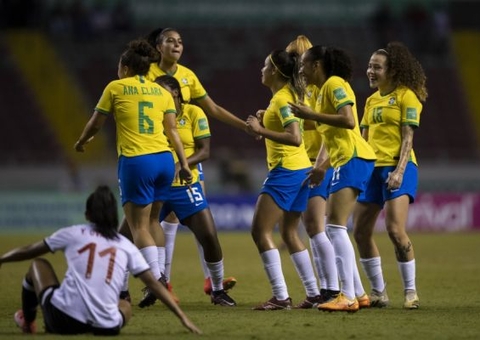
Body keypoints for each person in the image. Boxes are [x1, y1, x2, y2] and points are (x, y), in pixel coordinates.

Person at [74, 39, 192, 308]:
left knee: (137, 226)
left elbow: (96, 123)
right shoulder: (161, 92)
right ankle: (160, 273)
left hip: (137, 161)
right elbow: (173, 130)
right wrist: (183, 164)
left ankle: (155, 278)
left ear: (125, 67)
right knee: (153, 221)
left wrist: (82, 141)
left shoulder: (115, 87)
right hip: (164, 160)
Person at [0, 186, 201, 335]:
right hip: (106, 325)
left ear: (87, 214)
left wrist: (2, 260)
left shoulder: (73, 233)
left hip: (62, 320)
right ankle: (101, 317)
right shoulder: (125, 245)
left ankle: (28, 321)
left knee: (38, 264)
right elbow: (153, 285)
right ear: (116, 216)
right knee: (125, 305)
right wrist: (183, 318)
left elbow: (29, 250)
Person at [121, 75, 236, 308]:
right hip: (154, 187)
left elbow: (205, 151)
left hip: (186, 186)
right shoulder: (151, 116)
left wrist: (181, 165)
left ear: (176, 94)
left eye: (163, 93)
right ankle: (124, 292)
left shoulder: (194, 113)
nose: (158, 98)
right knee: (125, 238)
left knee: (209, 237)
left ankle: (217, 290)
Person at [145, 26, 239, 297]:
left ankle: (210, 279)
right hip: (158, 154)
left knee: (198, 217)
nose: (176, 45)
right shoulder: (147, 74)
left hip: (187, 157)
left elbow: (212, 109)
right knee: (166, 219)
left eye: (180, 42)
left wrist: (243, 127)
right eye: (170, 41)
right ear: (158, 47)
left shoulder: (188, 76)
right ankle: (166, 280)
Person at [289, 45, 377, 312]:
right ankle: (358, 294)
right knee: (335, 228)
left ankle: (347, 297)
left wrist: (311, 115)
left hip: (354, 158)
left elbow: (349, 121)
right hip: (345, 160)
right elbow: (331, 135)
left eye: (304, 64)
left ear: (317, 65)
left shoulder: (334, 83)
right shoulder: (320, 92)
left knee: (335, 228)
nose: (301, 69)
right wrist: (321, 166)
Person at [353, 42, 427, 309]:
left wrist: (399, 171)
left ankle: (410, 292)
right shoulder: (371, 100)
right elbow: (364, 139)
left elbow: (408, 137)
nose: (370, 71)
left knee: (395, 230)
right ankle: (379, 292)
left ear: (392, 71)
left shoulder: (407, 96)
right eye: (370, 66)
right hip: (371, 170)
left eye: (377, 67)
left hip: (399, 167)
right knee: (360, 231)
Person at [246, 49, 320, 310]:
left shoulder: (280, 99)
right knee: (288, 232)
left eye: (265, 65)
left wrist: (260, 129)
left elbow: (295, 137)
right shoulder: (284, 97)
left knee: (259, 230)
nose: (262, 69)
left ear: (275, 71)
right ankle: (313, 293)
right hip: (301, 169)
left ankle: (280, 296)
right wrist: (266, 123)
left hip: (286, 170)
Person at [285, 35, 340, 307]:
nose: (295, 65)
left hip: (318, 164)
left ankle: (332, 290)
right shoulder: (299, 93)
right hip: (307, 164)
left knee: (317, 227)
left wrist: (320, 166)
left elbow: (331, 131)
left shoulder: (317, 92)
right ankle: (327, 289)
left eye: (298, 59)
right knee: (313, 227)